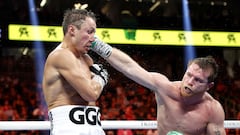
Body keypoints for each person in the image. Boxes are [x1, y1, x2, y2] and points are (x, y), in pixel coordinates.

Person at [91, 38, 226, 135]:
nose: (190, 81)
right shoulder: (165, 88)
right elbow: (129, 68)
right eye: (188, 74)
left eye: (198, 80)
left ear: (209, 86)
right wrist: (99, 45)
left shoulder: (212, 110)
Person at [42, 9, 108, 135]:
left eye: (94, 33)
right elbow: (91, 94)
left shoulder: (87, 59)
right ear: (72, 30)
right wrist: (101, 78)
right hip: (68, 129)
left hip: (94, 126)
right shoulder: (60, 56)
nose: (93, 39)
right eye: (89, 32)